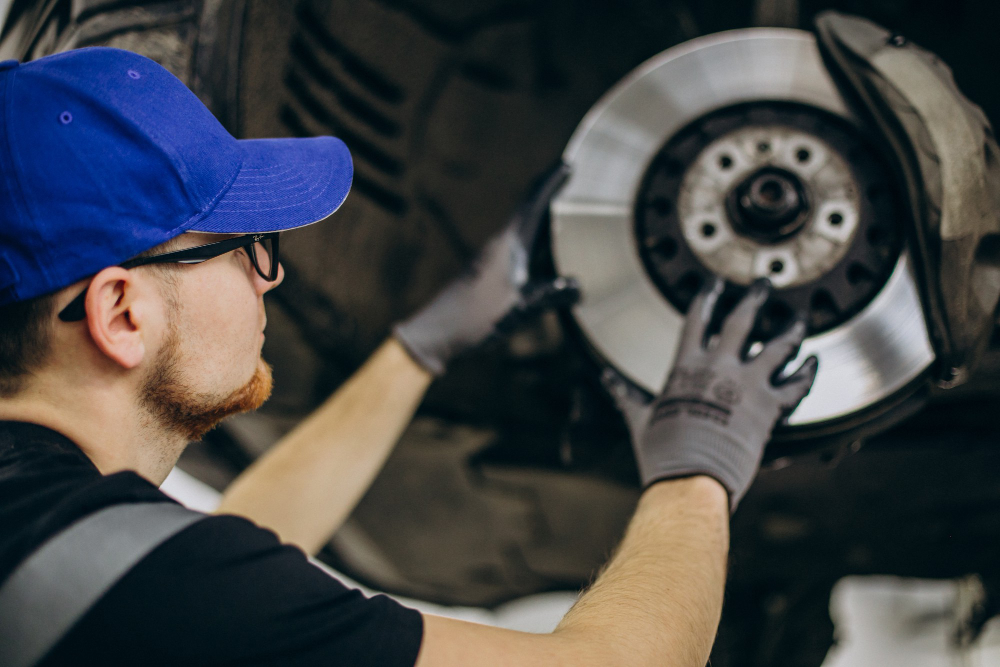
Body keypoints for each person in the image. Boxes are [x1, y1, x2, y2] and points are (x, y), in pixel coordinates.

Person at [0, 47, 817, 666]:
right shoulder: (122, 579)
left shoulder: (55, 540)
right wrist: (698, 469)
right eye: (244, 246)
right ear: (120, 311)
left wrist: (422, 347)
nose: (268, 277)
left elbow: (223, 550)